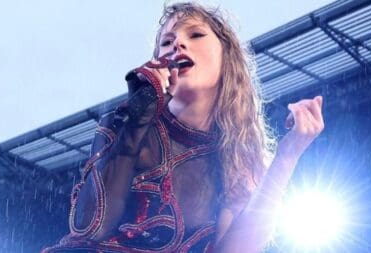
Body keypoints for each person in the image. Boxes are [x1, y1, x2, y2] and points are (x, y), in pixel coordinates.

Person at [42, 2, 324, 253]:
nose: (177, 44)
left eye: (196, 34)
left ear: (228, 58)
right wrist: (138, 120)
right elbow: (90, 229)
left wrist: (288, 154)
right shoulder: (124, 123)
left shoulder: (236, 157)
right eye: (166, 42)